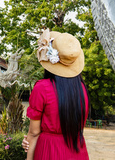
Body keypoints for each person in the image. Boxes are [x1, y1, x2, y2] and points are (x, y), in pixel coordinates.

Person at [22, 29, 89, 160]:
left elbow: (34, 133)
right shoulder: (81, 89)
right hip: (77, 151)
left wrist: (28, 151)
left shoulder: (42, 87)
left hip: (49, 150)